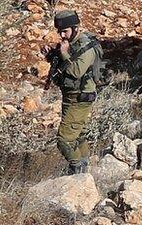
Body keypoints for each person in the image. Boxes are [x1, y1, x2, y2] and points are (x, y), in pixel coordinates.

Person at [41, 10, 102, 175]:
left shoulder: (86, 46)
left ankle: (77, 169)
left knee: (64, 140)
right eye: (60, 31)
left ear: (75, 28)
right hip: (70, 95)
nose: (62, 35)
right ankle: (85, 169)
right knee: (78, 134)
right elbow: (64, 65)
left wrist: (63, 52)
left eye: (65, 31)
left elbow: (76, 71)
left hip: (80, 97)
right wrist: (52, 54)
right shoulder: (71, 44)